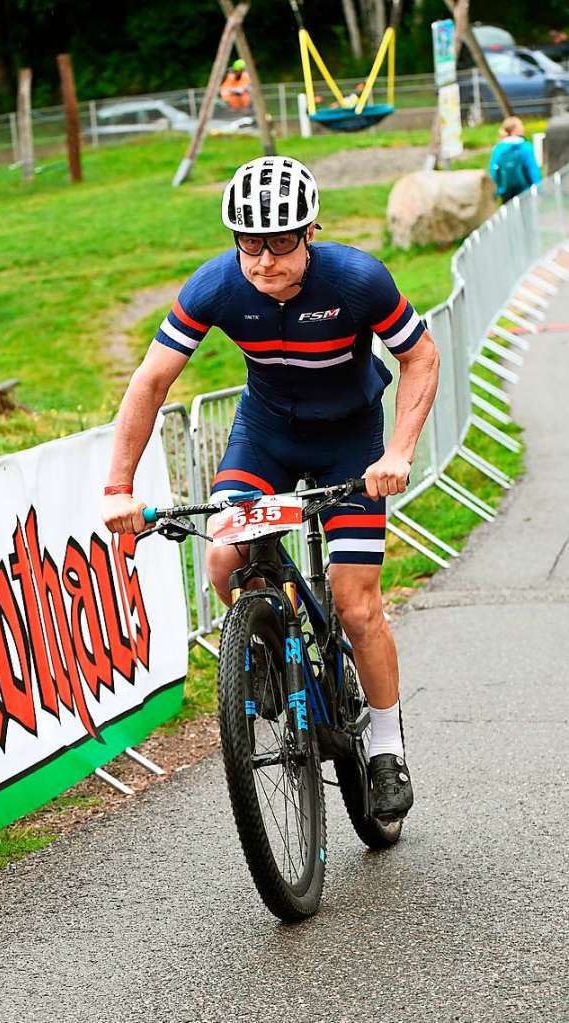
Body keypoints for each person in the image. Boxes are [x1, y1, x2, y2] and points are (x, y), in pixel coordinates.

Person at [102, 156, 439, 822]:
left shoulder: (355, 278)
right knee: (226, 557)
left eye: (279, 241)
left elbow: (419, 356)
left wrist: (397, 451)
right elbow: (149, 383)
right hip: (265, 439)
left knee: (355, 604)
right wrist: (117, 487)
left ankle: (384, 747)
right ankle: (267, 645)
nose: (262, 260)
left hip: (349, 440)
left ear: (309, 230)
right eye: (247, 242)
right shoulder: (217, 286)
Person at [489, 116, 542, 203]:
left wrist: (496, 192)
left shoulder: (498, 148)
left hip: (505, 192)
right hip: (525, 191)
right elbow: (533, 169)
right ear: (516, 129)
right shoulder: (525, 146)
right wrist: (539, 189)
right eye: (521, 125)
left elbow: (493, 171)